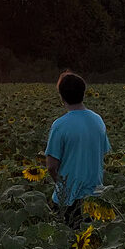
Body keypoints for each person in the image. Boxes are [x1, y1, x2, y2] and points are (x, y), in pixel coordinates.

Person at [44, 71, 111, 228]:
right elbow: (104, 152)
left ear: (61, 96)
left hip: (69, 200)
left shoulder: (60, 125)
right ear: (83, 93)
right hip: (96, 197)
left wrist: (62, 187)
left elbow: (51, 166)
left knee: (68, 244)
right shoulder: (98, 120)